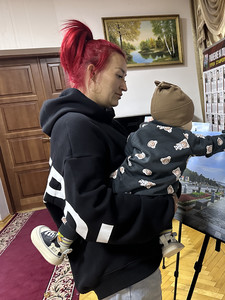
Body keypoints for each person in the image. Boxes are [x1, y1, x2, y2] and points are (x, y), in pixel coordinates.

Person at [29, 19, 174, 300]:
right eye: (119, 75)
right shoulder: (76, 126)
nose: (125, 86)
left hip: (127, 264)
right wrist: (165, 207)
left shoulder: (95, 122)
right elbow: (93, 211)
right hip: (122, 273)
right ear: (93, 73)